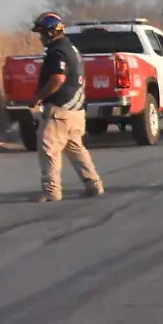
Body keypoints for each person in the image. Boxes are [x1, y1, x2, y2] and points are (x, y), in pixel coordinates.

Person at [28, 12, 104, 202]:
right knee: (76, 149)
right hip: (75, 112)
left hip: (59, 112)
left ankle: (51, 191)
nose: (41, 38)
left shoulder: (57, 52)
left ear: (53, 32)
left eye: (43, 33)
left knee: (48, 150)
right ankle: (94, 184)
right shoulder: (72, 49)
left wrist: (39, 96)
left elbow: (58, 78)